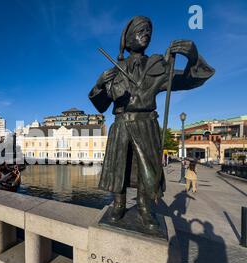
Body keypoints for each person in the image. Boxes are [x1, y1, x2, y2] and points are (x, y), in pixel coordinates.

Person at [89, 16, 214, 230]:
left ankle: (145, 207)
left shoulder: (158, 66)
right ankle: (118, 204)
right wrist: (99, 84)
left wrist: (193, 57)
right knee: (120, 166)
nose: (146, 34)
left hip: (146, 123)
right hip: (121, 123)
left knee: (147, 169)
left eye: (148, 30)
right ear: (127, 39)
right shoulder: (115, 70)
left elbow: (191, 79)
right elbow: (101, 106)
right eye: (140, 30)